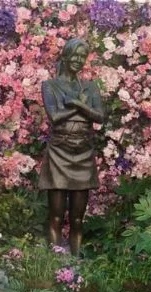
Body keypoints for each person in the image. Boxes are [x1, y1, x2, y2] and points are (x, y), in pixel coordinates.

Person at [39, 38, 105, 256]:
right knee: (56, 217)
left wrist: (76, 103)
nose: (78, 60)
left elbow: (99, 117)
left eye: (82, 56)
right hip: (59, 152)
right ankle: (55, 264)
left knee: (77, 219)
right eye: (75, 55)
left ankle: (76, 265)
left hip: (83, 153)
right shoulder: (49, 86)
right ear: (65, 56)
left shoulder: (90, 87)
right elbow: (55, 117)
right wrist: (83, 107)